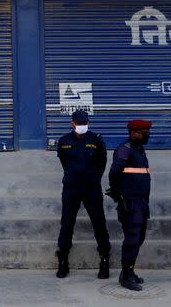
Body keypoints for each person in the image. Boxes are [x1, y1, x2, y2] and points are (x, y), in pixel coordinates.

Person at [55, 110, 111, 279]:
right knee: (66, 224)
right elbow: (64, 162)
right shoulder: (64, 141)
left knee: (99, 224)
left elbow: (102, 163)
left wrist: (92, 179)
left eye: (85, 123)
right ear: (72, 124)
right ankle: (63, 261)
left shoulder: (96, 140)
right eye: (79, 124)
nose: (82, 126)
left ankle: (104, 260)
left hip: (91, 188)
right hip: (71, 188)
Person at [106, 119, 152, 291]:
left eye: (148, 133)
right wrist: (119, 195)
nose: (147, 136)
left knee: (139, 238)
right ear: (133, 133)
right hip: (130, 201)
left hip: (142, 201)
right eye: (144, 133)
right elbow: (114, 173)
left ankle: (130, 271)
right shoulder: (124, 150)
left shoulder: (139, 149)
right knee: (132, 238)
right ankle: (125, 275)